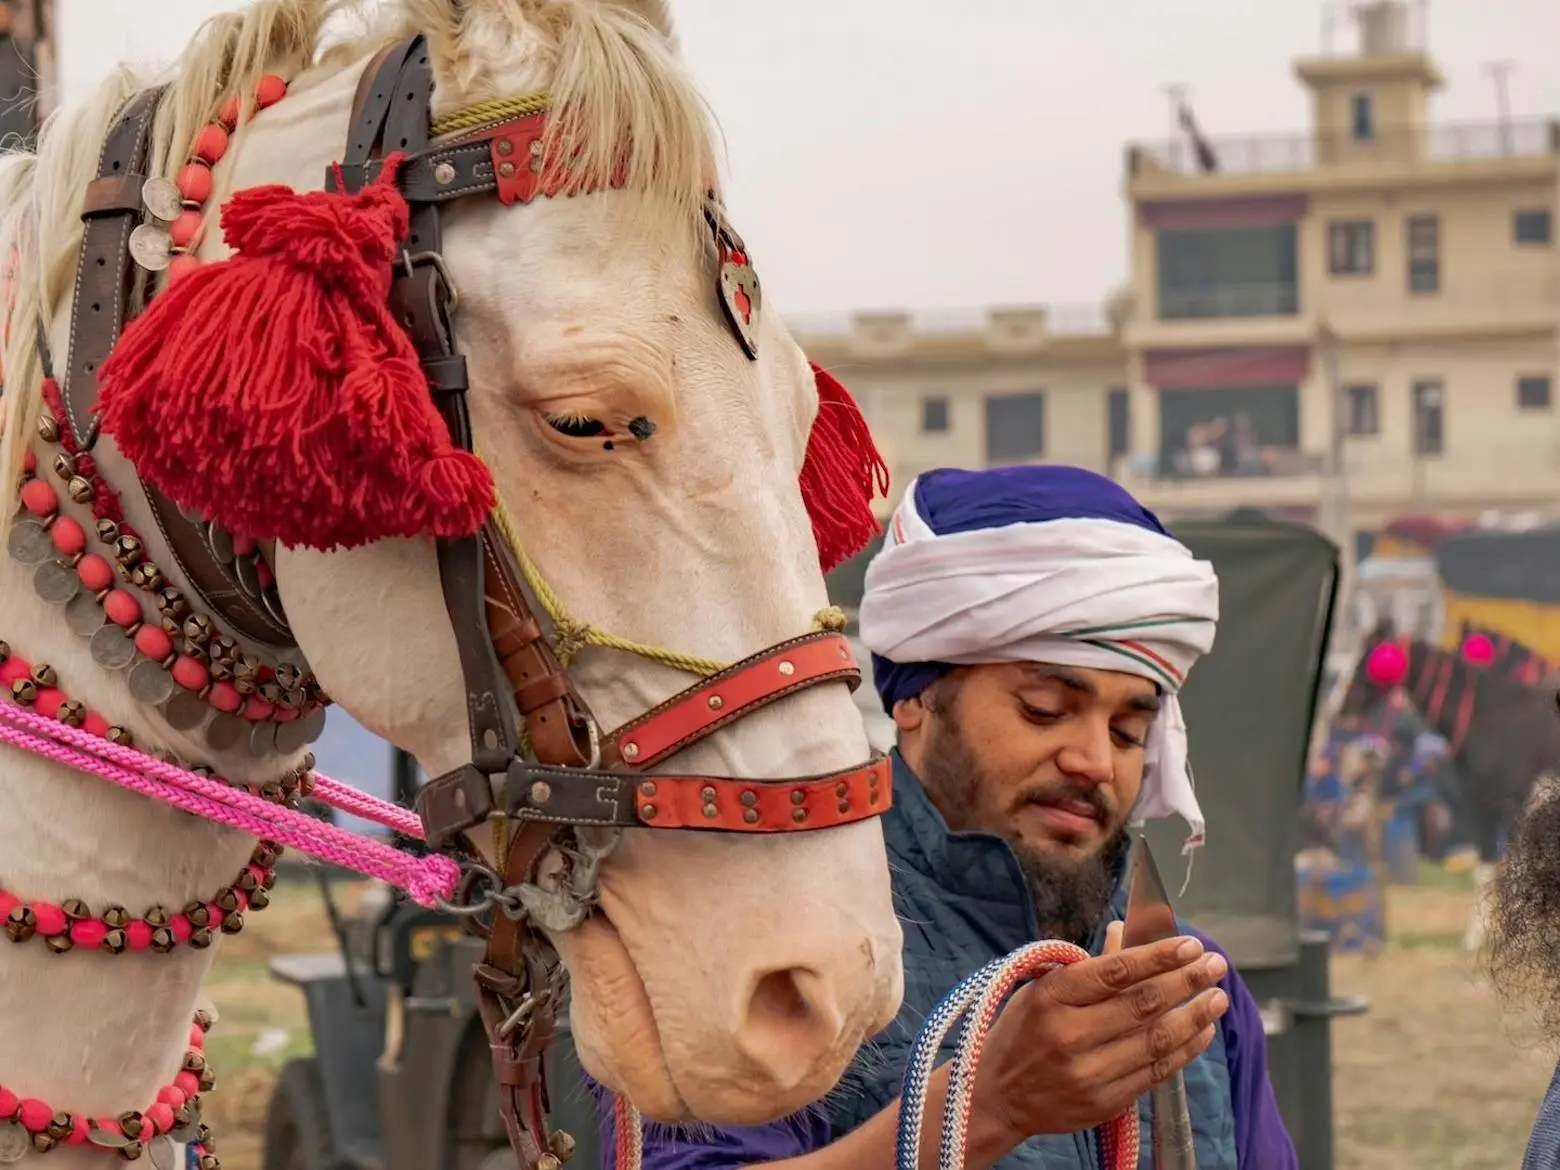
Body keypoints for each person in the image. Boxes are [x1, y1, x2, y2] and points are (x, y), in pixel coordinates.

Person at [595, 464, 1296, 1168]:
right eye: (1044, 710)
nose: (1094, 761)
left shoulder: (1189, 987)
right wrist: (990, 1106)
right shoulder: (776, 943)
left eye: (1127, 732)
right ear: (915, 700)